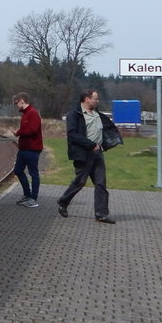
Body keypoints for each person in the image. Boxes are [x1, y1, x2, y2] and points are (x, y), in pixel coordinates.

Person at [56, 89, 122, 223]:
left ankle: (101, 213)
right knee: (80, 182)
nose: (97, 101)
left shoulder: (97, 115)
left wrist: (106, 144)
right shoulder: (75, 114)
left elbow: (107, 130)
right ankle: (63, 201)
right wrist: (90, 144)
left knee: (101, 183)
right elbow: (72, 134)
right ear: (86, 99)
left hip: (98, 154)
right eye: (95, 99)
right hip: (83, 154)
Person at [11, 93, 43, 207]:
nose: (16, 105)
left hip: (32, 149)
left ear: (22, 101)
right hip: (24, 148)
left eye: (16, 103)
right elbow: (27, 128)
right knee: (18, 170)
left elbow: (32, 130)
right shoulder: (25, 114)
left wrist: (18, 132)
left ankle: (33, 198)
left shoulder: (32, 113)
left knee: (33, 173)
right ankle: (27, 195)